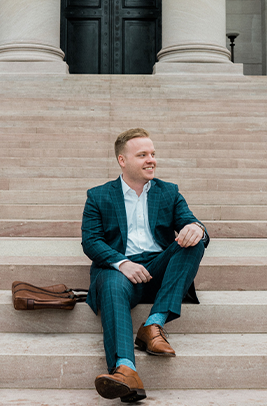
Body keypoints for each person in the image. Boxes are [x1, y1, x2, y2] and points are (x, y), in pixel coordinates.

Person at [81, 128, 210, 402]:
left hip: (160, 271)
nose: (151, 160)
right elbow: (91, 242)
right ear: (122, 160)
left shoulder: (169, 192)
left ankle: (153, 324)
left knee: (193, 242)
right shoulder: (99, 196)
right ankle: (125, 370)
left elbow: (191, 222)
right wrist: (121, 262)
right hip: (121, 273)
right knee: (112, 283)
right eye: (142, 155)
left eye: (152, 154)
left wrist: (197, 229)